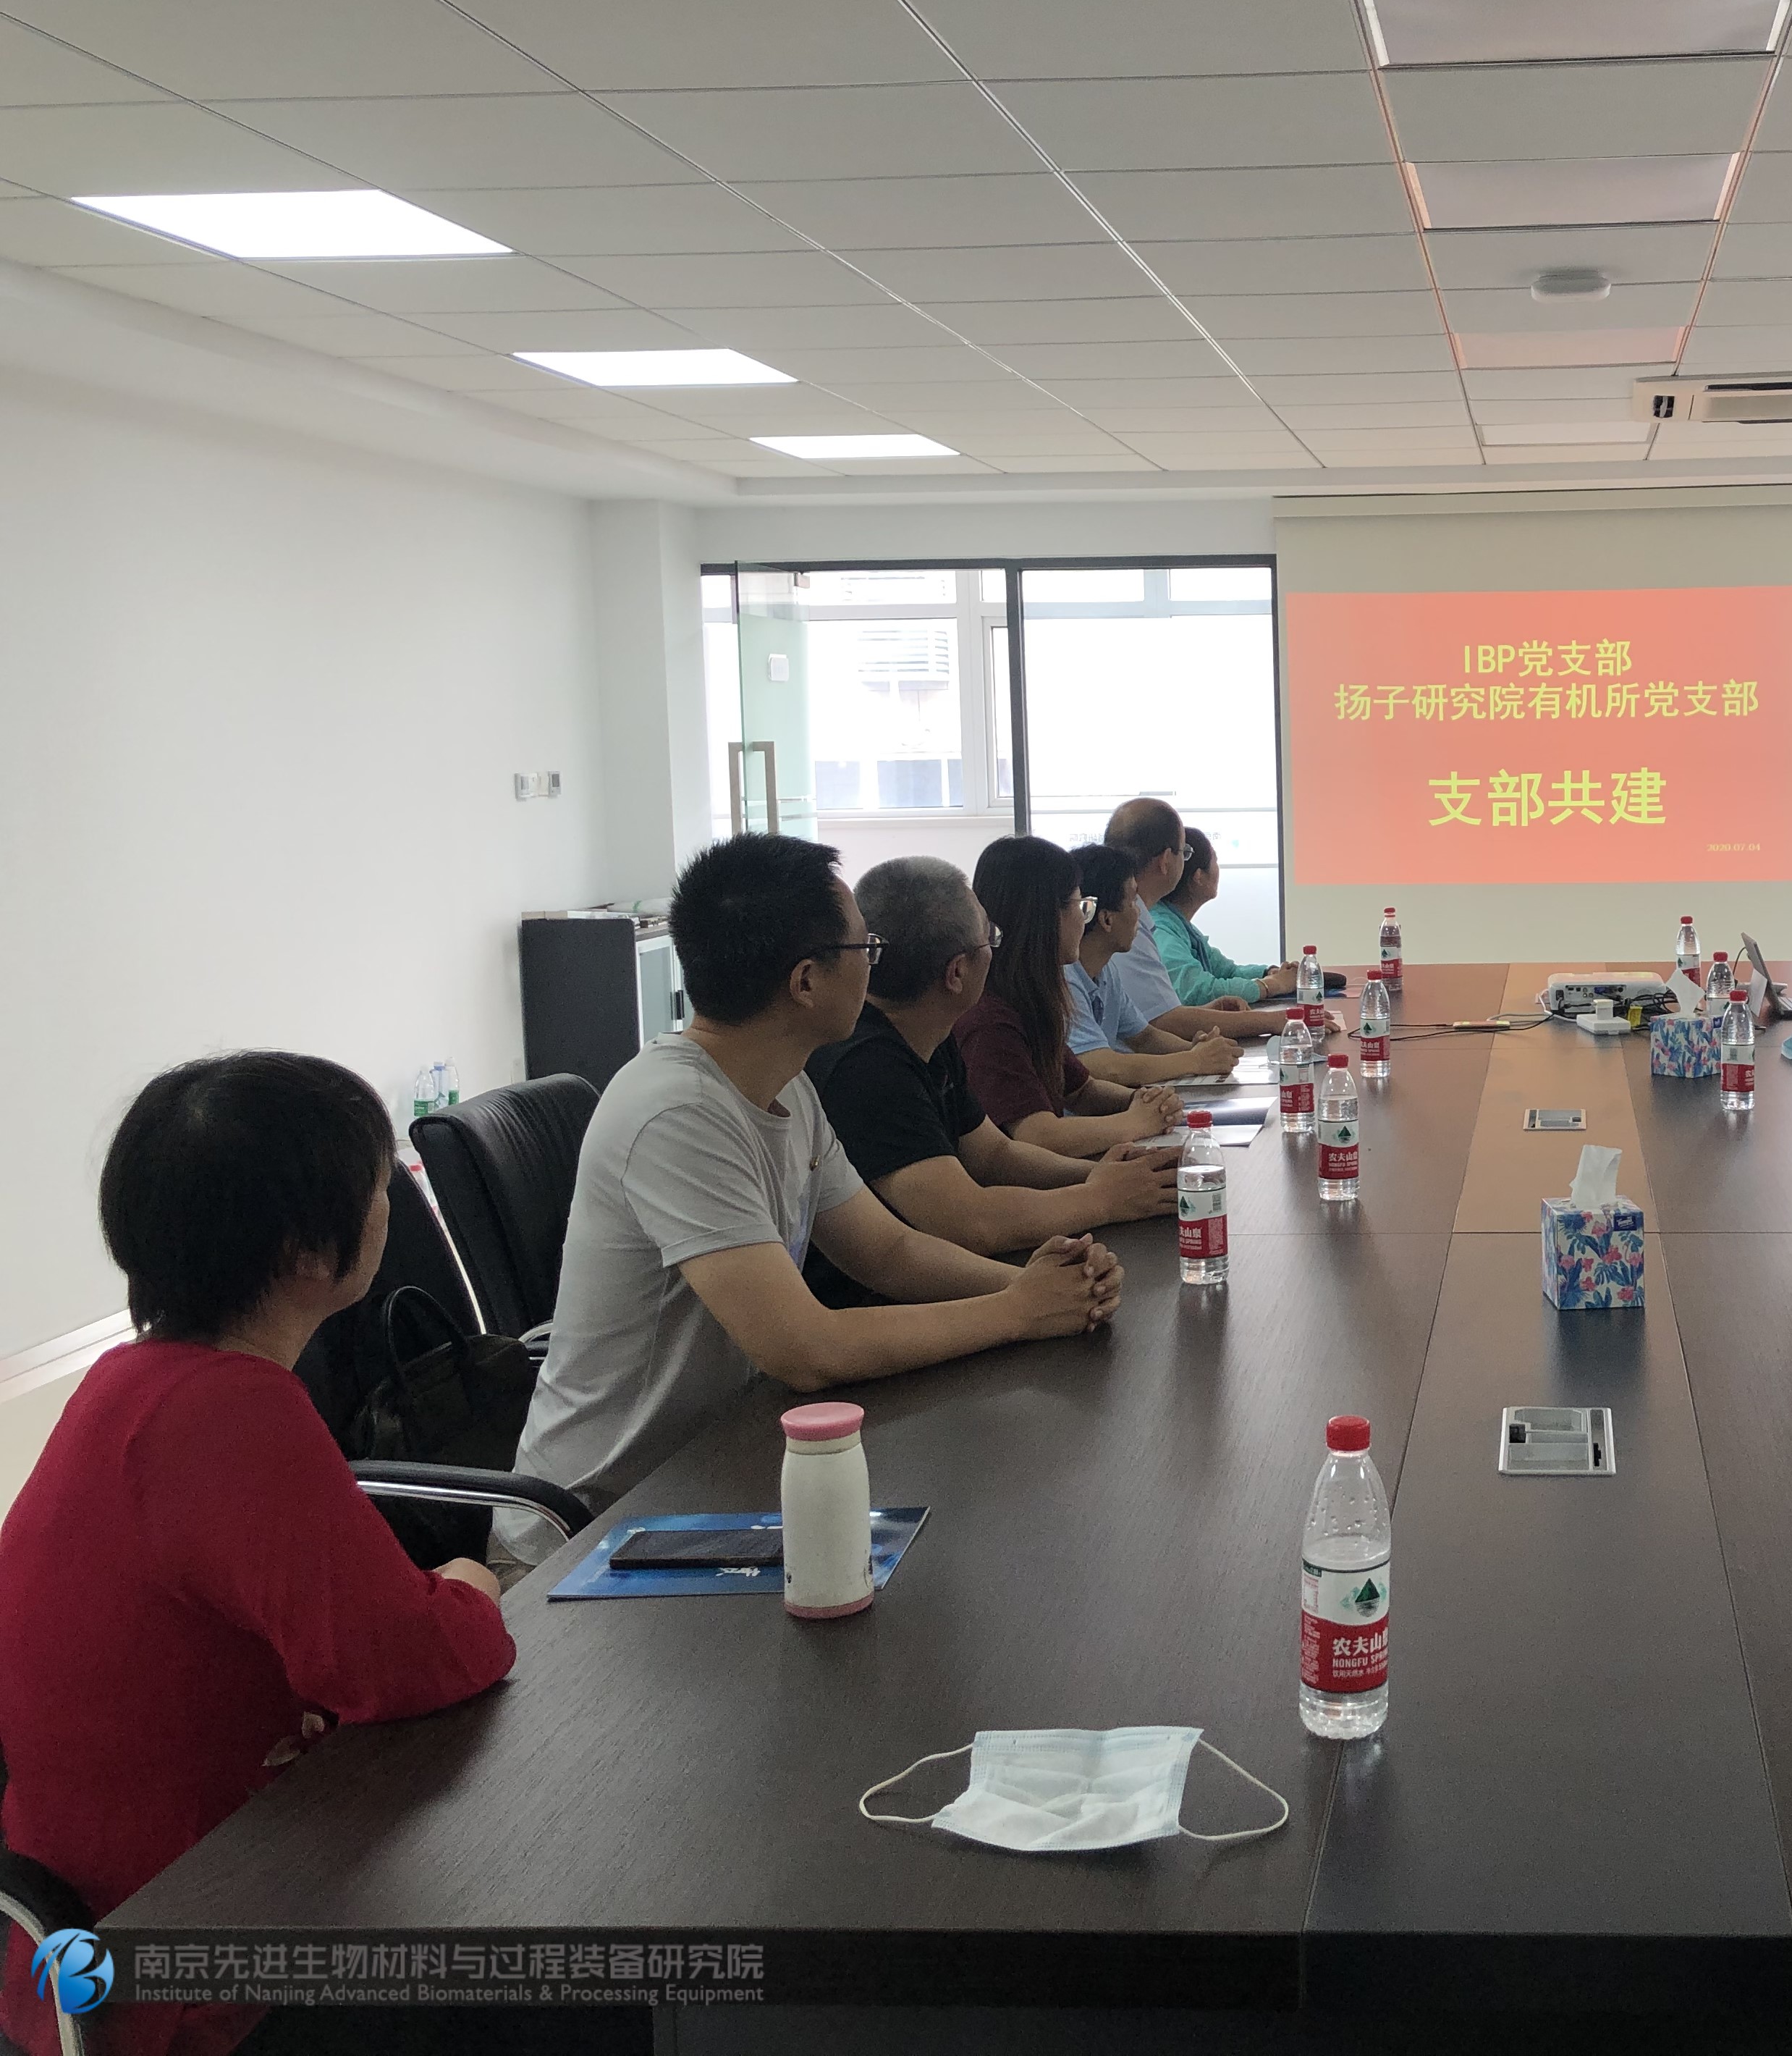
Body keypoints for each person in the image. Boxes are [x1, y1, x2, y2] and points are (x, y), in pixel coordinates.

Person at [0, 1053, 515, 2056]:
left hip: (95, 1932)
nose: (392, 1202)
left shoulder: (132, 1381)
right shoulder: (228, 1416)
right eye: (381, 1182)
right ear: (304, 1248)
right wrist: (470, 1588)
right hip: (190, 1966)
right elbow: (407, 1661)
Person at [503, 834, 1122, 1563]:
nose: (877, 963)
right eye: (865, 948)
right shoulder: (677, 1112)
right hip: (595, 1527)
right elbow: (806, 1349)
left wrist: (1039, 1287)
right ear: (805, 982)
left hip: (716, 1474)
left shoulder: (788, 1086)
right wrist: (1016, 1313)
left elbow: (888, 1251)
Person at [802, 856, 1177, 1306]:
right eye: (990, 939)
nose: (996, 950)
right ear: (957, 972)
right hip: (883, 1309)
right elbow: (968, 1220)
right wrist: (1102, 1198)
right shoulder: (866, 1066)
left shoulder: (929, 1032)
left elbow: (995, 1155)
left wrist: (1104, 1176)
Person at [960, 835, 1191, 1158]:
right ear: (1043, 917)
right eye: (1081, 907)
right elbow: (1037, 1135)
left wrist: (1142, 1102)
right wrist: (1134, 1123)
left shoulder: (1031, 997)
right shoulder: (991, 1017)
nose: (1085, 920)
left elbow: (1083, 1091)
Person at [1104, 797, 1284, 1042]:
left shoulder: (1140, 917)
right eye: (1184, 853)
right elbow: (1166, 1021)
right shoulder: (1129, 926)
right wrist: (1274, 1019)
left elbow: (1147, 1024)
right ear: (1166, 860)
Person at [1067, 842, 1238, 1087]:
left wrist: (1194, 1048)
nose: (1139, 913)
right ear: (1106, 919)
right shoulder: (1066, 978)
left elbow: (1144, 1037)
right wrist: (1194, 1060)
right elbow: (1104, 1066)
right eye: (1132, 902)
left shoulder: (1106, 970)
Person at [1154, 824, 1299, 1008]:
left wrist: (1270, 973)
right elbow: (1199, 992)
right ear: (1198, 876)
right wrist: (1273, 985)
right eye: (1215, 860)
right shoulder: (1160, 929)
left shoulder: (1179, 925)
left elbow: (1228, 972)